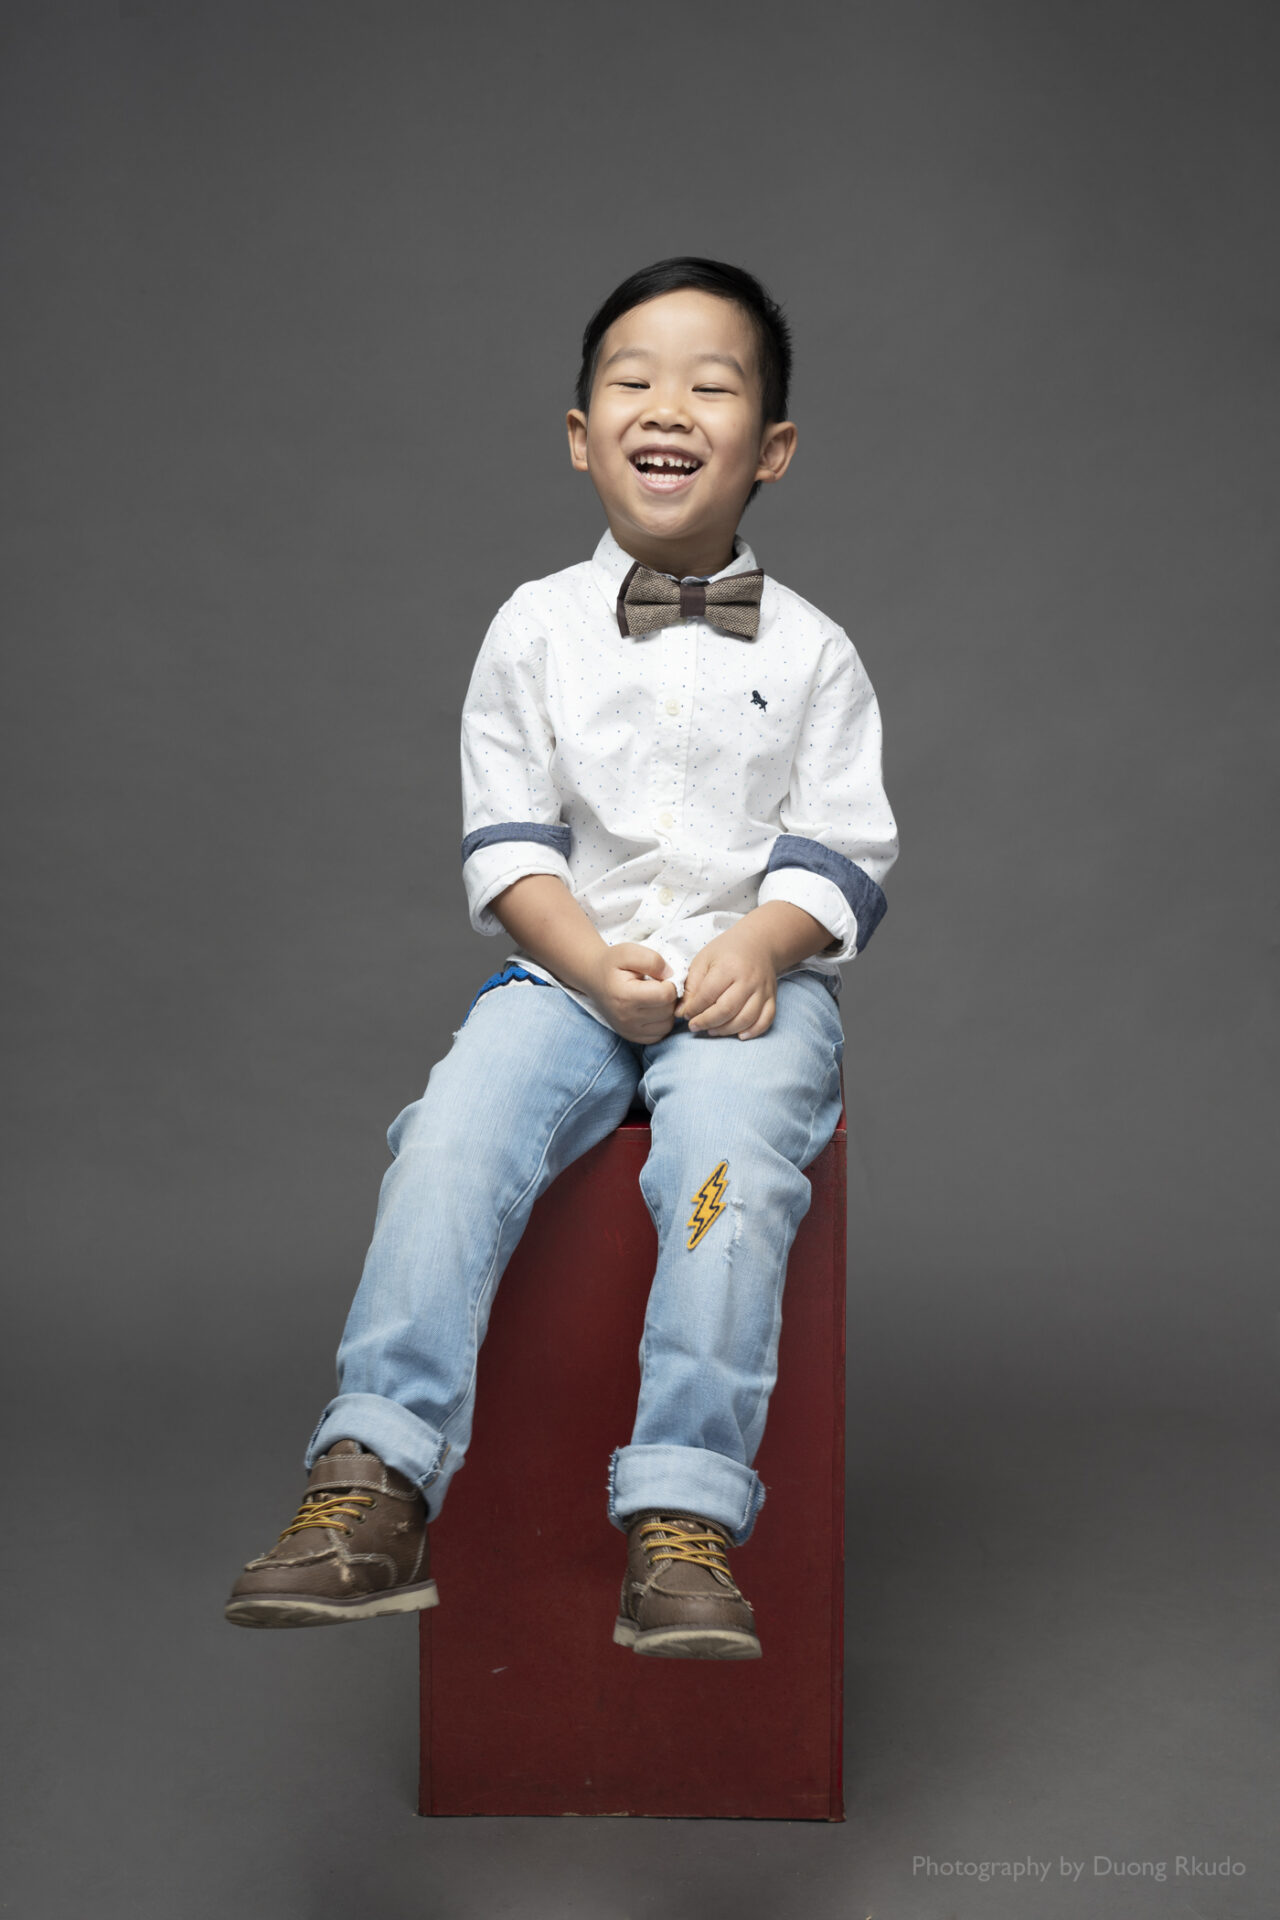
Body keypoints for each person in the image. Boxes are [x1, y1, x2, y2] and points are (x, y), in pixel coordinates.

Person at [225, 256, 898, 1659]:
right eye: (633, 381)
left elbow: (846, 846)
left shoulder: (818, 652)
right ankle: (376, 1476)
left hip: (753, 997)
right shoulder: (533, 628)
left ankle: (685, 1514)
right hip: (571, 979)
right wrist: (589, 966)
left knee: (726, 1171)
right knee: (451, 1133)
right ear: (582, 434)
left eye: (712, 386)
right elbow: (511, 848)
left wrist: (762, 942)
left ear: (772, 448)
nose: (671, 406)